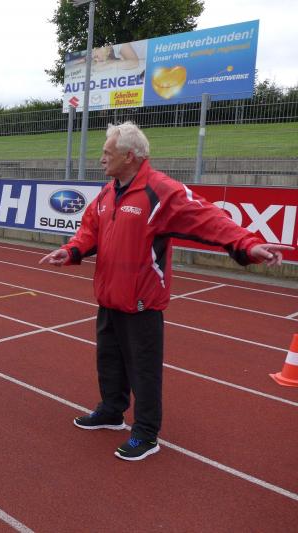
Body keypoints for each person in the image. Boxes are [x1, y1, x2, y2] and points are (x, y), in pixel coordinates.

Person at [39, 122, 292, 461]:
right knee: (109, 360)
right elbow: (90, 230)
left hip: (143, 303)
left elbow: (210, 218)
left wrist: (248, 244)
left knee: (144, 370)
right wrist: (70, 251)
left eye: (107, 153)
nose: (101, 159)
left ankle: (146, 434)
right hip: (109, 297)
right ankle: (112, 411)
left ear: (129, 156)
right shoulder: (108, 192)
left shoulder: (161, 191)